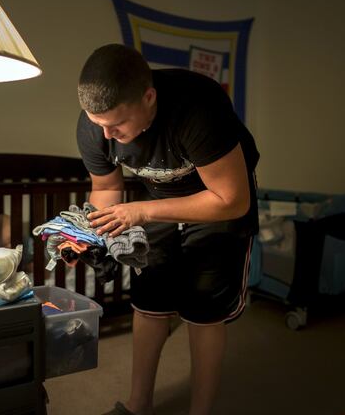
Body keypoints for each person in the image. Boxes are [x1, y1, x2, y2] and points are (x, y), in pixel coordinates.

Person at [75, 43, 260, 415]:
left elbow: (231, 200)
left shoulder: (198, 109)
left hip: (219, 198)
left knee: (203, 310)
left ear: (149, 98)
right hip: (156, 200)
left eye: (117, 125)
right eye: (99, 124)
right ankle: (138, 405)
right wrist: (88, 235)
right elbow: (107, 188)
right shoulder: (96, 127)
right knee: (149, 300)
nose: (106, 134)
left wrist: (142, 212)